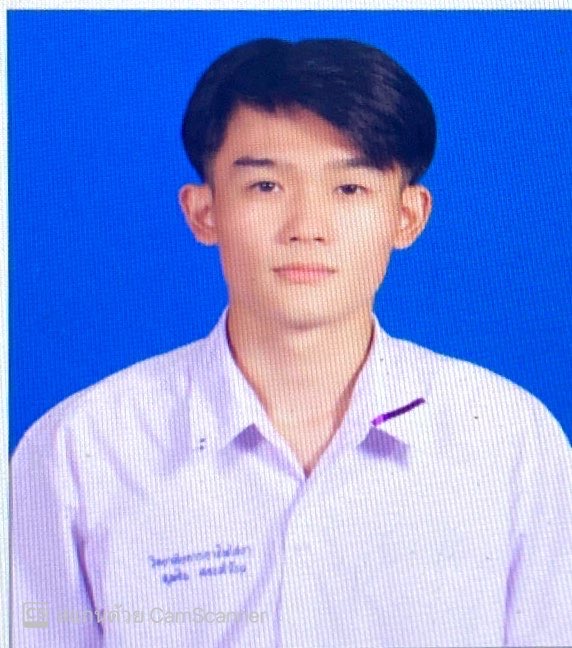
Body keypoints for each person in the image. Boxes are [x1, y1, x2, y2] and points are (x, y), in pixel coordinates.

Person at [11, 37, 572, 648]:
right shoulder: (80, 451)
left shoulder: (510, 441)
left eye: (349, 189)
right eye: (266, 186)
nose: (306, 228)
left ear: (407, 216)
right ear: (203, 212)